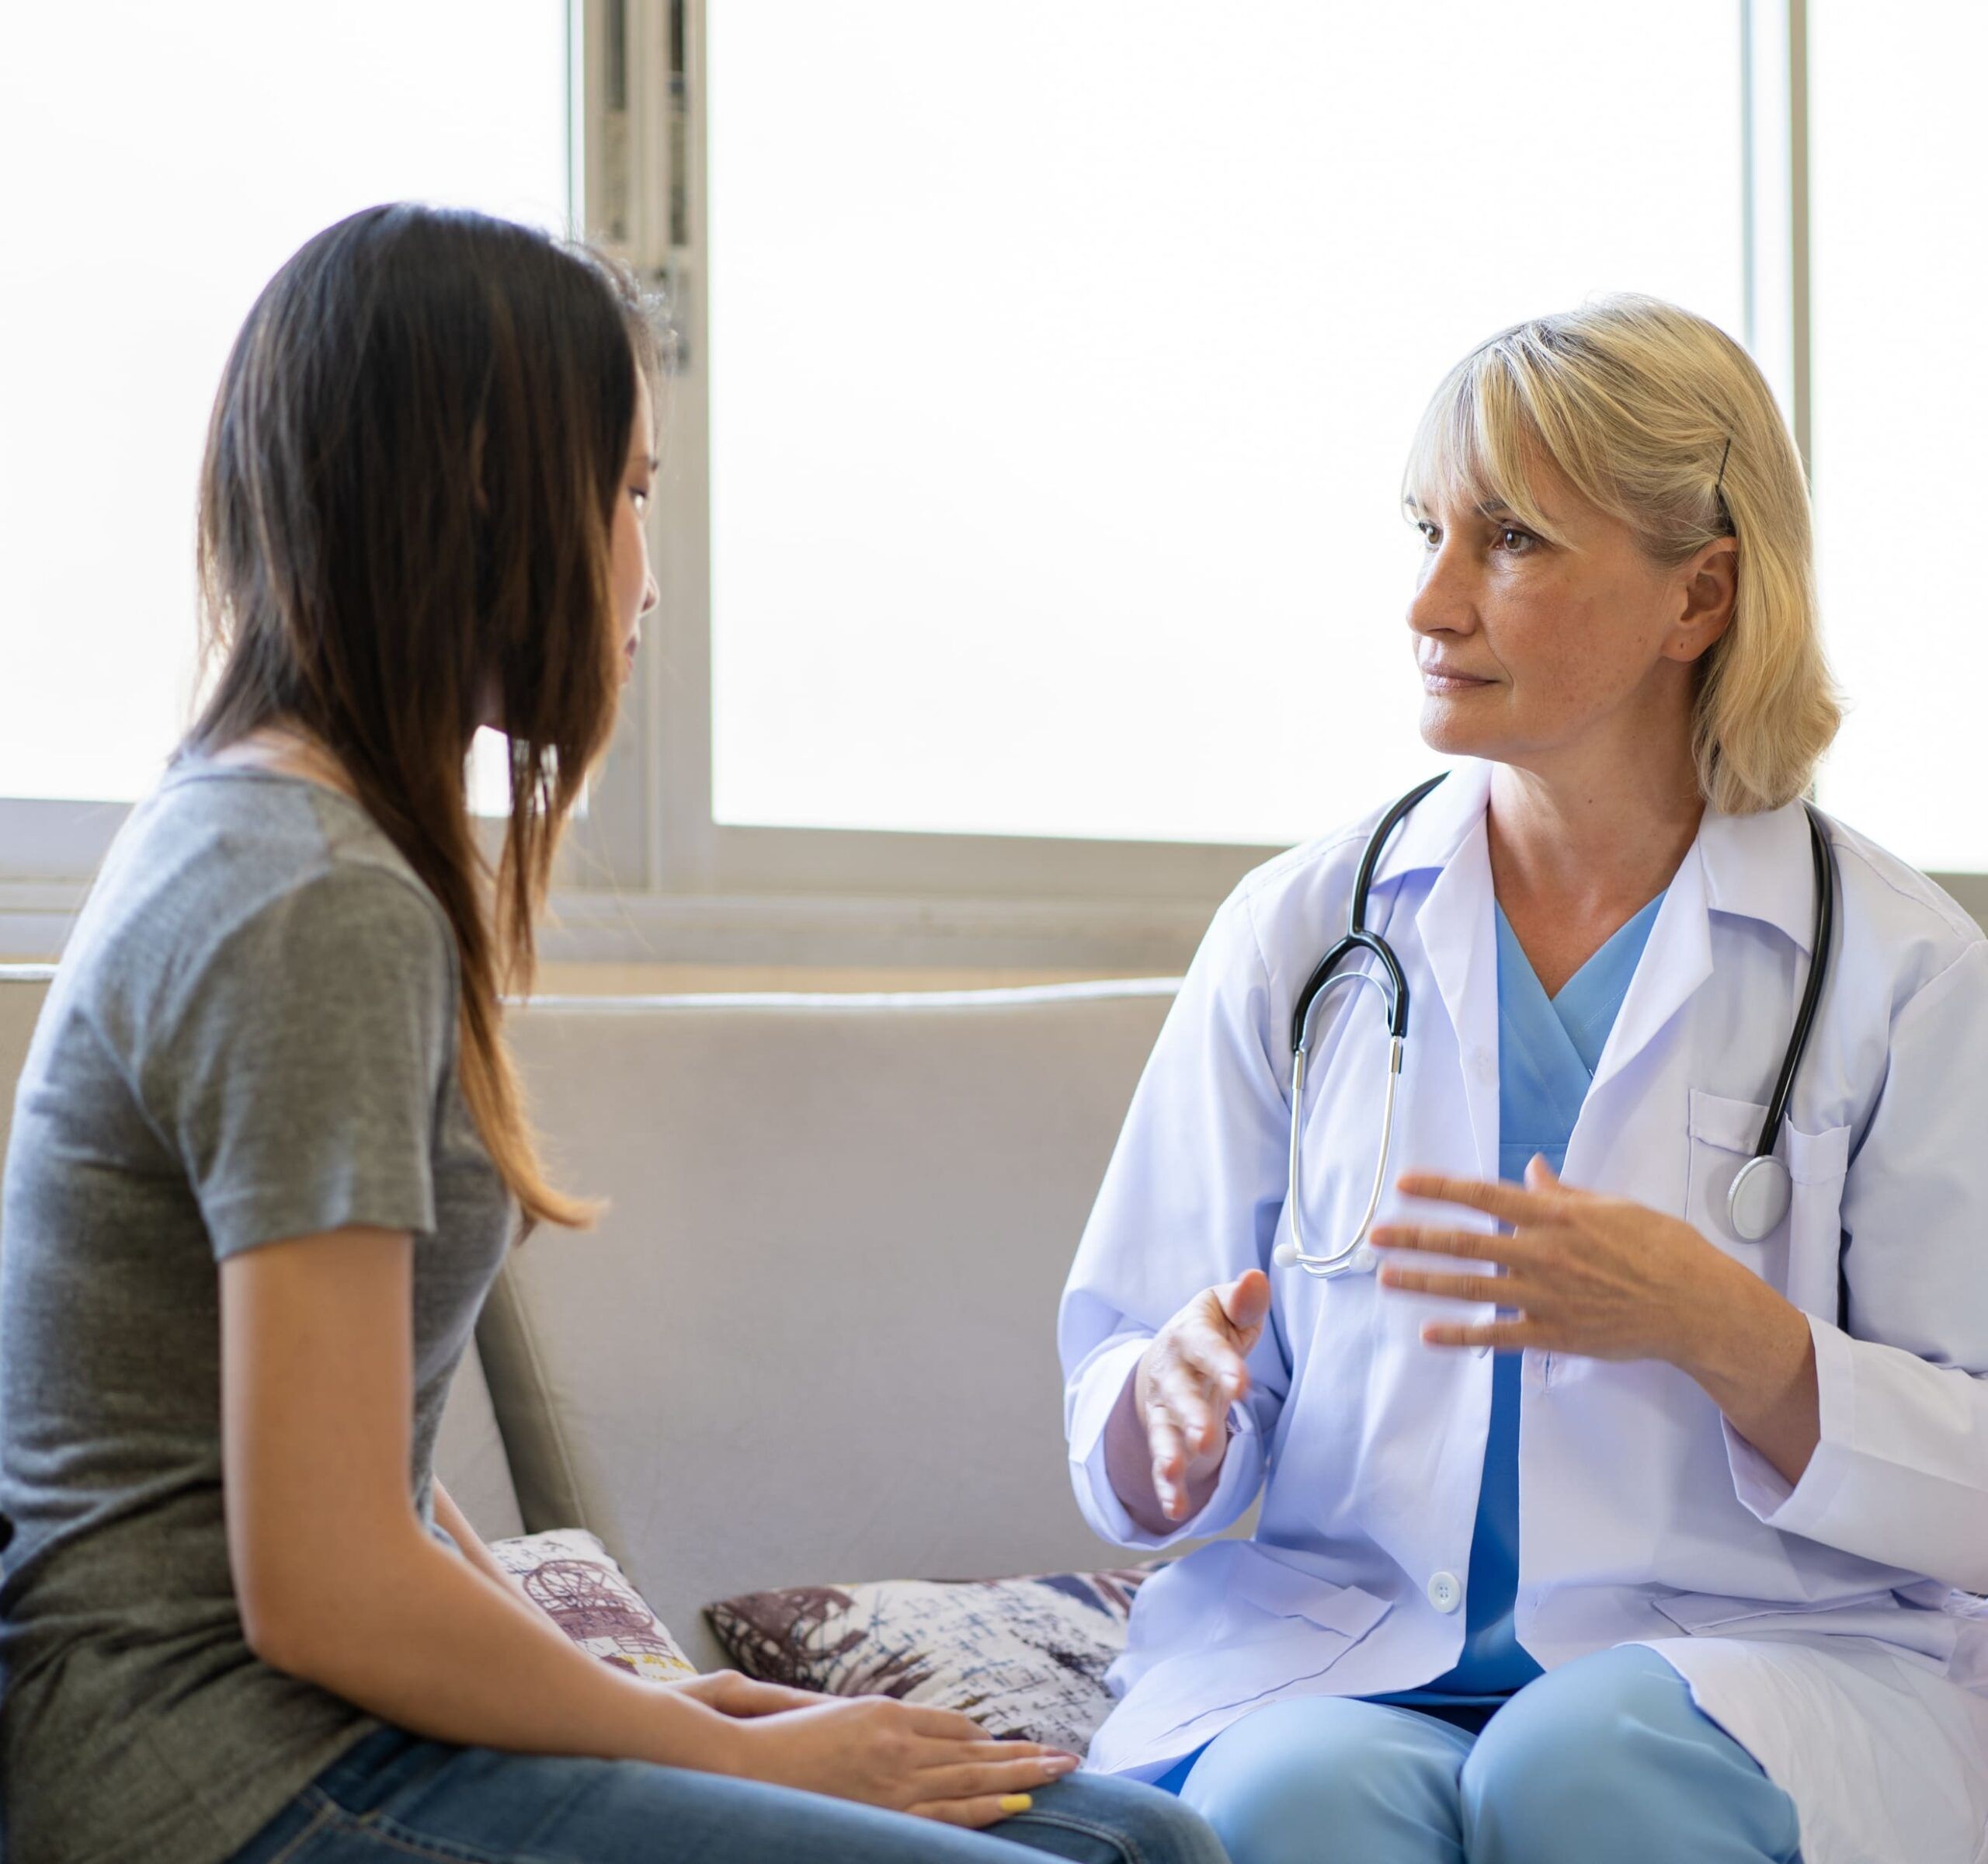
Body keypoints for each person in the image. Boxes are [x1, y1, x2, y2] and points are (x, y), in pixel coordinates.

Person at [0, 204, 1229, 1864]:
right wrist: (706, 1752)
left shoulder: (277, 835)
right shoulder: (311, 897)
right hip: (219, 1782)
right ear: (485, 502)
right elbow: (323, 1582)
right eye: (633, 491)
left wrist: (658, 1698)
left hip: (310, 1730)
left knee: (1143, 1841)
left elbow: (368, 1483)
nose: (649, 564)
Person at [1059, 294, 1988, 1864]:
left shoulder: (1896, 971)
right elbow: (1129, 1367)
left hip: (1758, 1665)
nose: (1427, 601)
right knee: (1292, 1806)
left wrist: (1729, 1337)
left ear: (1695, 596)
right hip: (1335, 1647)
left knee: (1580, 1765)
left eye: (1509, 542)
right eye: (1424, 529)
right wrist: (1165, 1411)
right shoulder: (1305, 931)